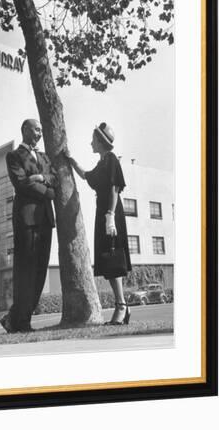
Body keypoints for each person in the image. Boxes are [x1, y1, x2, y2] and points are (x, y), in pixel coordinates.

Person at [66, 122, 132, 325]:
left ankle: (121, 306)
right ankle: (121, 306)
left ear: (101, 142)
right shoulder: (102, 162)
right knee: (108, 259)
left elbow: (115, 187)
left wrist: (110, 215)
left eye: (93, 140)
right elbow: (87, 176)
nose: (90, 142)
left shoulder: (111, 159)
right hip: (102, 211)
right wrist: (71, 160)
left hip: (110, 212)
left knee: (114, 258)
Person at [0, 119, 57, 333]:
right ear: (25, 130)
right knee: (26, 271)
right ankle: (21, 323)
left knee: (40, 271)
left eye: (41, 129)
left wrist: (42, 177)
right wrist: (49, 192)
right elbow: (22, 183)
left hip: (46, 221)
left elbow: (55, 178)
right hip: (27, 220)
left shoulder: (43, 157)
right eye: (36, 129)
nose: (40, 133)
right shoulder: (13, 156)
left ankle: (14, 318)